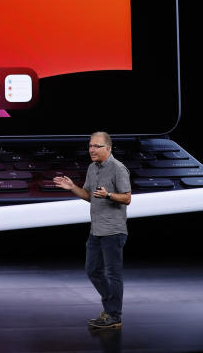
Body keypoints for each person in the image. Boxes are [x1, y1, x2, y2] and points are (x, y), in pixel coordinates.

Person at [54, 132, 131, 330]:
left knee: (113, 274)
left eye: (96, 146)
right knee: (92, 271)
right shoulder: (92, 168)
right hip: (96, 230)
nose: (91, 150)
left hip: (113, 231)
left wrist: (109, 195)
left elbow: (127, 198)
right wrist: (72, 187)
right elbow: (89, 196)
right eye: (90, 146)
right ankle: (111, 308)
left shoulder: (118, 168)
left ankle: (114, 315)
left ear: (108, 148)